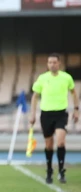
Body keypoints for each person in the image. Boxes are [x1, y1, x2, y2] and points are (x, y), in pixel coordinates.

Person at [29, 53, 79, 184]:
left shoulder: (66, 78)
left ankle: (62, 171)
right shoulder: (42, 78)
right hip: (46, 114)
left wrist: (76, 109)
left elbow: (74, 93)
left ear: (59, 63)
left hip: (61, 113)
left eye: (54, 62)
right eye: (49, 62)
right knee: (49, 144)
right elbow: (35, 96)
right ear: (47, 64)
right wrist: (32, 113)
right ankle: (49, 169)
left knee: (61, 142)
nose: (52, 64)